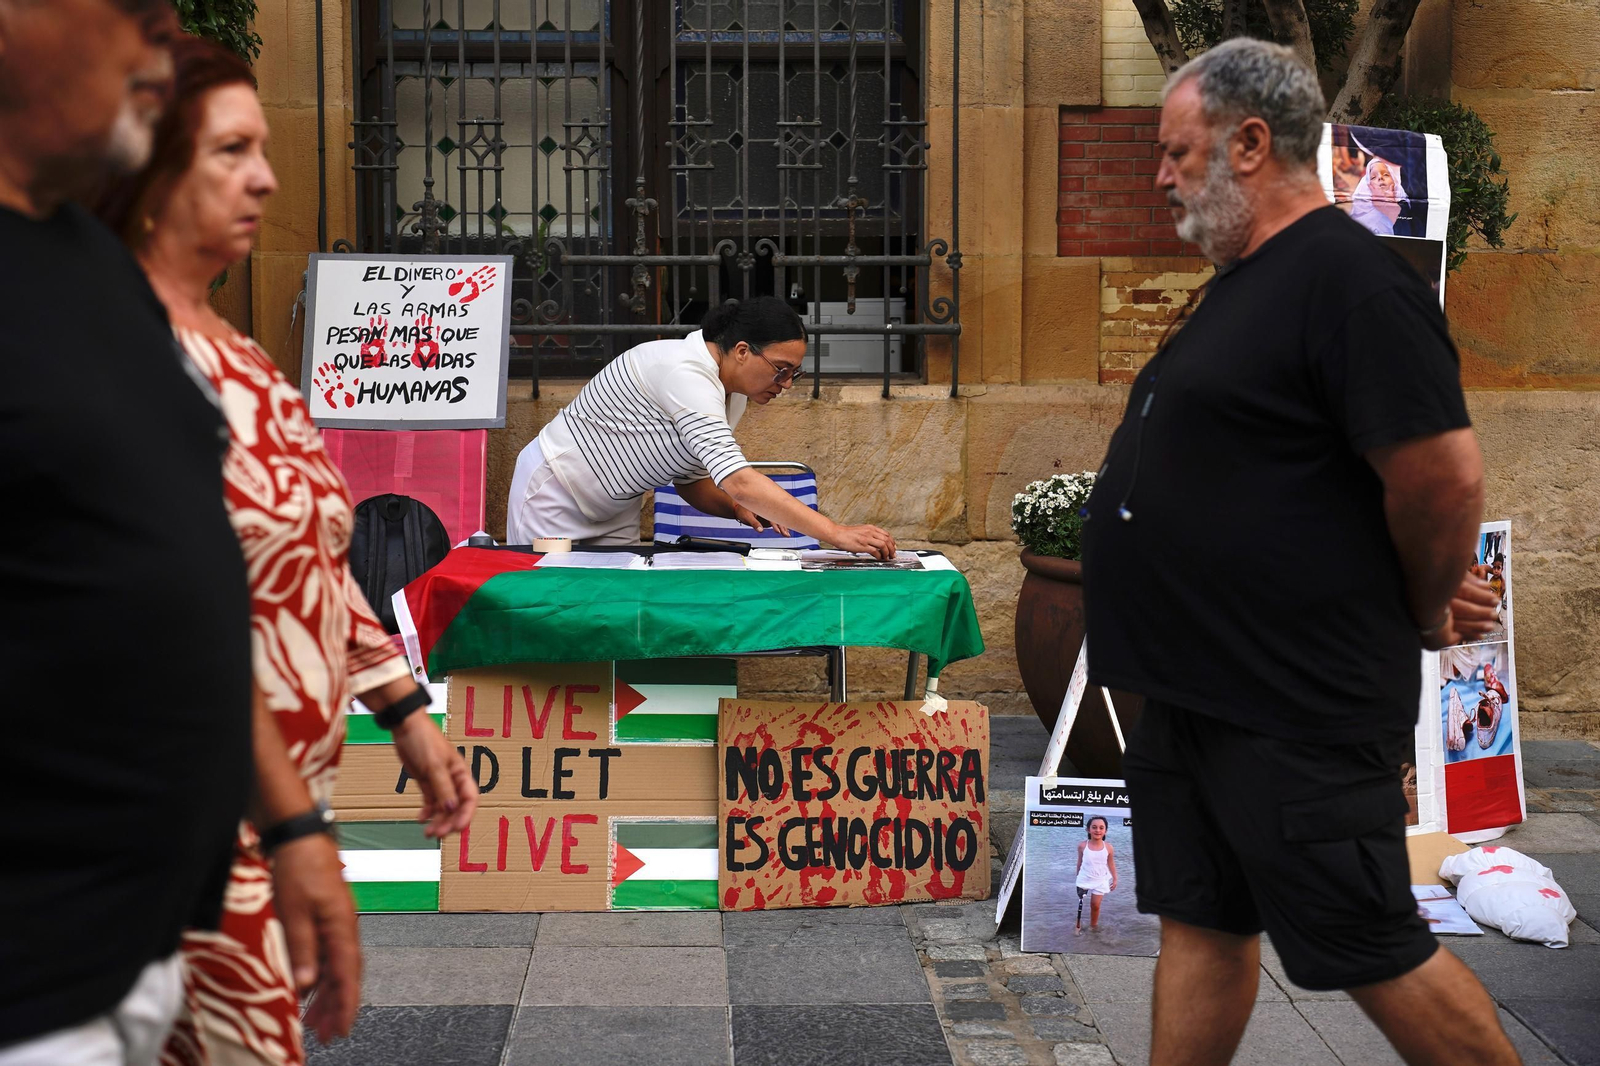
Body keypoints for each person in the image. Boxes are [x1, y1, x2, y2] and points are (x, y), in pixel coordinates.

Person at [1080, 39, 1521, 1066]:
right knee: (1203, 919)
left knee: (1370, 942)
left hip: (1291, 703)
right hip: (1197, 691)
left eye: (1174, 151)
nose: (1157, 175)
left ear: (1247, 143)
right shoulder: (1245, 283)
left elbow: (1442, 477)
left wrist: (1418, 606)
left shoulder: (1350, 280)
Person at [94, 36, 480, 1066]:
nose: (266, 176)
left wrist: (403, 709)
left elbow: (313, 560)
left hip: (265, 810)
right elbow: (165, 618)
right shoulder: (107, 352)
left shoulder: (245, 361)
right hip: (164, 815)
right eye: (229, 150)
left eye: (263, 146)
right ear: (143, 165)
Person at [0, 4, 347, 1063]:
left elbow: (193, 585)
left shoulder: (83, 270)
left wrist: (292, 827)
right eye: (122, 10)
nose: (151, 38)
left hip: (144, 928)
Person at [506, 296, 898, 558]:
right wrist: (836, 533)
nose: (787, 385)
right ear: (742, 351)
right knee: (548, 608)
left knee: (611, 613)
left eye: (796, 373)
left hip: (616, 507)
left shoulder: (733, 393)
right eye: (781, 371)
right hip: (555, 495)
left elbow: (690, 480)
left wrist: (735, 508)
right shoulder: (684, 370)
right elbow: (739, 479)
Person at [1074, 816, 1118, 935]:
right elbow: (1079, 862)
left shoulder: (1108, 847)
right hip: (1085, 877)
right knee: (1080, 904)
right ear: (1088, 830)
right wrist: (1077, 876)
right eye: (1094, 827)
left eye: (1101, 828)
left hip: (1101, 879)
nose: (1097, 830)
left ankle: (1093, 926)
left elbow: (1111, 863)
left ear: (1105, 831)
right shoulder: (1082, 846)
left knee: (1095, 905)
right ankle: (1077, 925)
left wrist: (1115, 878)